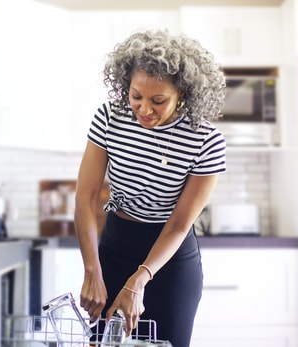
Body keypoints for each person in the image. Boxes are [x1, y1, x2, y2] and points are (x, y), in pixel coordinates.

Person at [74, 29, 226, 347]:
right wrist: (92, 270)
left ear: (182, 93)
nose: (144, 109)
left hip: (169, 259)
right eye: (136, 96)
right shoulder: (109, 118)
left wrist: (139, 280)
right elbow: (86, 198)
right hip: (115, 247)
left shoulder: (205, 140)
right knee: (103, 343)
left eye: (158, 101)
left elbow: (180, 223)